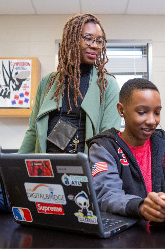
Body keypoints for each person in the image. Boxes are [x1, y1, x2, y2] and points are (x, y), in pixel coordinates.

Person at [18, 14, 121, 155]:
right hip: (47, 167)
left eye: (99, 41)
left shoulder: (107, 85)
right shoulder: (48, 83)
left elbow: (109, 138)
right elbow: (33, 131)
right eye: (89, 38)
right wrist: (16, 167)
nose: (95, 46)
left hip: (87, 169)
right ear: (71, 40)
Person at [86, 78, 165, 222]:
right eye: (142, 112)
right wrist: (140, 206)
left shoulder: (162, 144)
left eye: (157, 112)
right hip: (125, 238)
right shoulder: (104, 148)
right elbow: (106, 195)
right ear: (121, 110)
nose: (152, 121)